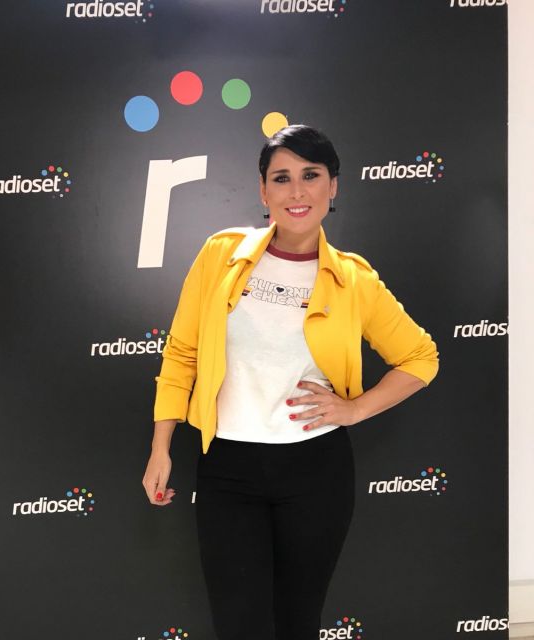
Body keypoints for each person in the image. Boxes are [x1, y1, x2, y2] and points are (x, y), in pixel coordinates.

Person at [142, 124, 439, 640]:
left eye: (311, 175)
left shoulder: (354, 279)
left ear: (333, 186)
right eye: (281, 178)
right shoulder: (220, 254)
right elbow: (183, 352)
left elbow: (421, 357)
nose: (296, 191)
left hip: (316, 473)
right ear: (263, 190)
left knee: (297, 623)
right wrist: (160, 446)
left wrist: (354, 409)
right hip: (228, 469)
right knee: (239, 624)